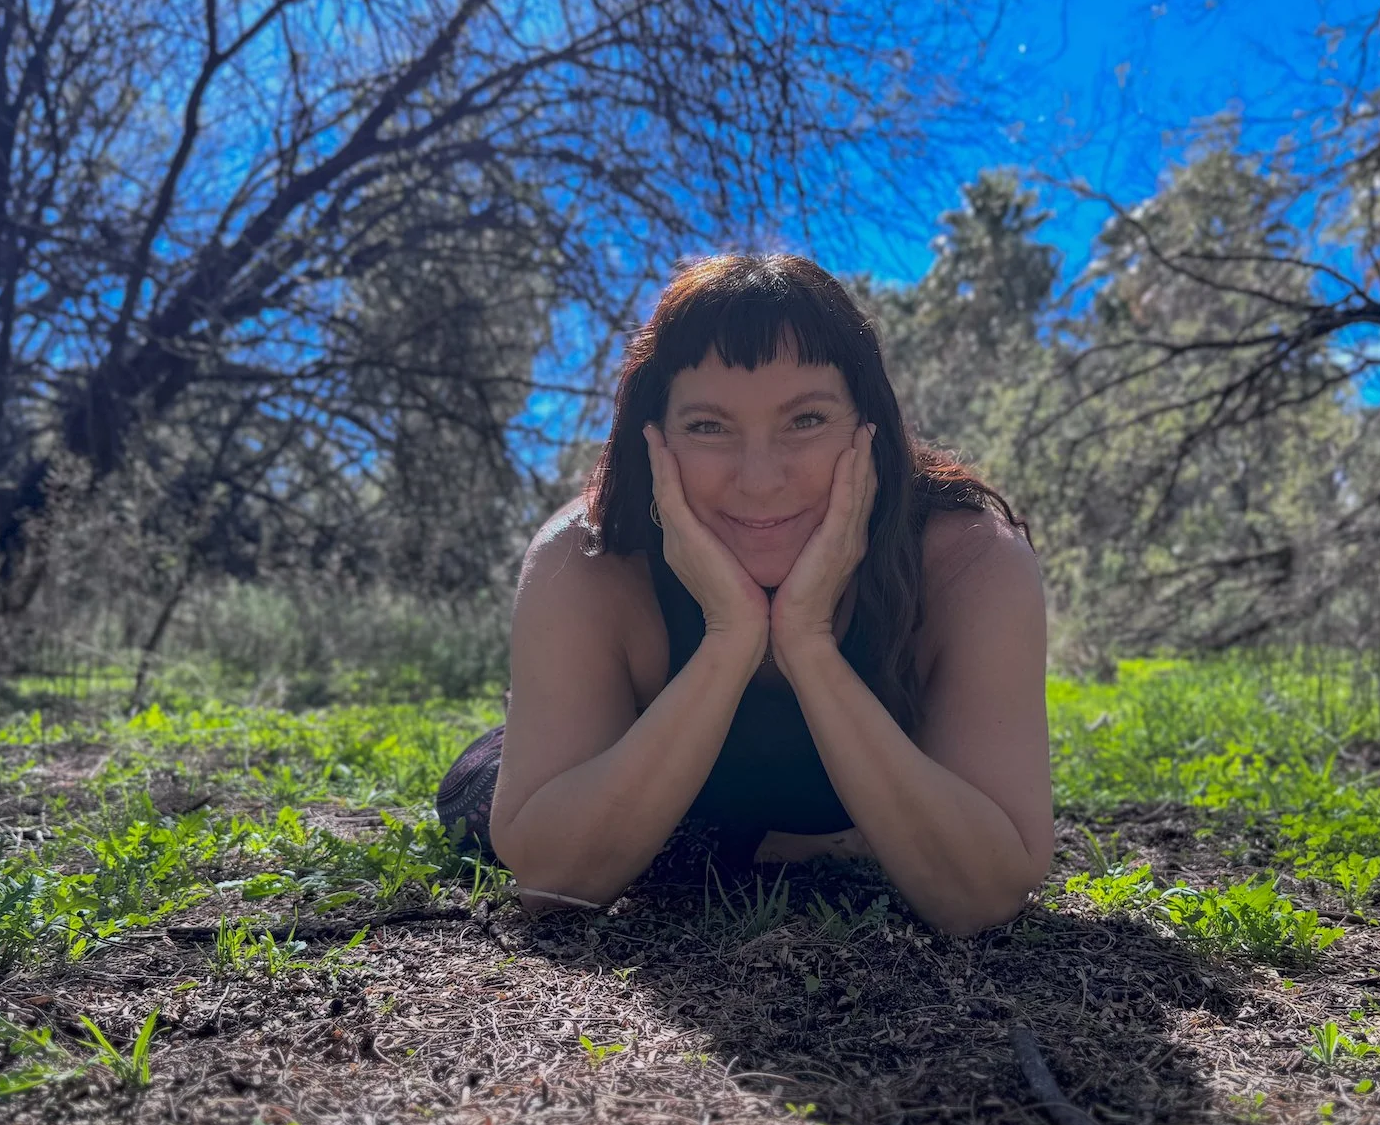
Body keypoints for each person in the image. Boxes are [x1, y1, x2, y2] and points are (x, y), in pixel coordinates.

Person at [435, 254, 1052, 936]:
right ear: (654, 440)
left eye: (806, 420)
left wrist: (808, 642)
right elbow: (552, 879)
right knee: (471, 802)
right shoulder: (585, 560)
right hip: (611, 773)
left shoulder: (969, 561)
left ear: (867, 427)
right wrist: (729, 638)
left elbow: (987, 894)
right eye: (708, 427)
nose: (760, 480)